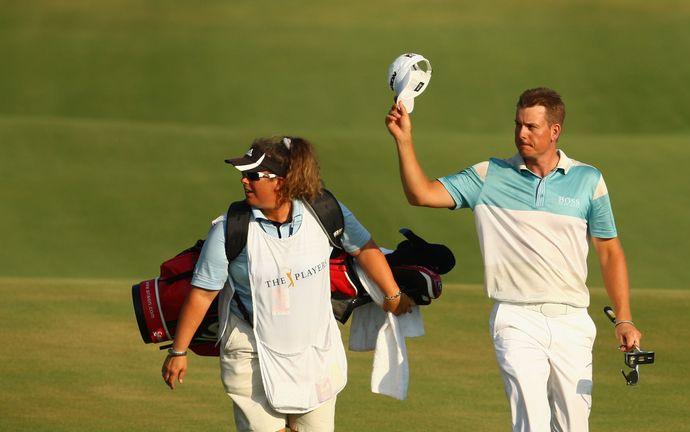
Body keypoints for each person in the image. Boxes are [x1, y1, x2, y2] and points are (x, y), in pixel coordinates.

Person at [385, 87, 643, 431]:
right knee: (531, 423)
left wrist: (624, 318)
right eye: (518, 124)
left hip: (573, 321)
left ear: (555, 131)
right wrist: (404, 141)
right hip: (515, 318)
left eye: (531, 127)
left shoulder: (588, 180)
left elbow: (609, 250)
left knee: (573, 426)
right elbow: (421, 193)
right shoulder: (488, 175)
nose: (521, 133)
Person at [162, 136, 414, 432]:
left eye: (253, 175)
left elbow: (364, 248)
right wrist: (178, 352)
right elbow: (204, 293)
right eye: (244, 174)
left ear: (281, 182)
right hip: (250, 349)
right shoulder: (231, 227)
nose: (244, 181)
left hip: (314, 348)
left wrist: (393, 294)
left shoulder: (324, 209)